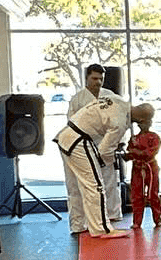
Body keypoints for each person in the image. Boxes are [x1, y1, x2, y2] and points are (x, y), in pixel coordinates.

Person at [55, 76, 129, 236]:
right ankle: (98, 228)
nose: (98, 82)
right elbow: (105, 149)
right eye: (94, 78)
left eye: (101, 78)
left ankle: (93, 224)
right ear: (86, 79)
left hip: (73, 139)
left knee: (93, 186)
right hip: (79, 141)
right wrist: (104, 160)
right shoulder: (79, 98)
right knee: (91, 186)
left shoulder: (112, 97)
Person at [123, 103, 161, 231]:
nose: (143, 125)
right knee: (136, 195)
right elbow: (130, 153)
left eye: (146, 122)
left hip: (151, 168)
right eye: (141, 123)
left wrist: (136, 152)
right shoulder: (134, 138)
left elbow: (150, 153)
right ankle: (137, 221)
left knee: (153, 194)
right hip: (137, 169)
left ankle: (158, 219)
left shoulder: (154, 137)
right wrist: (127, 155)